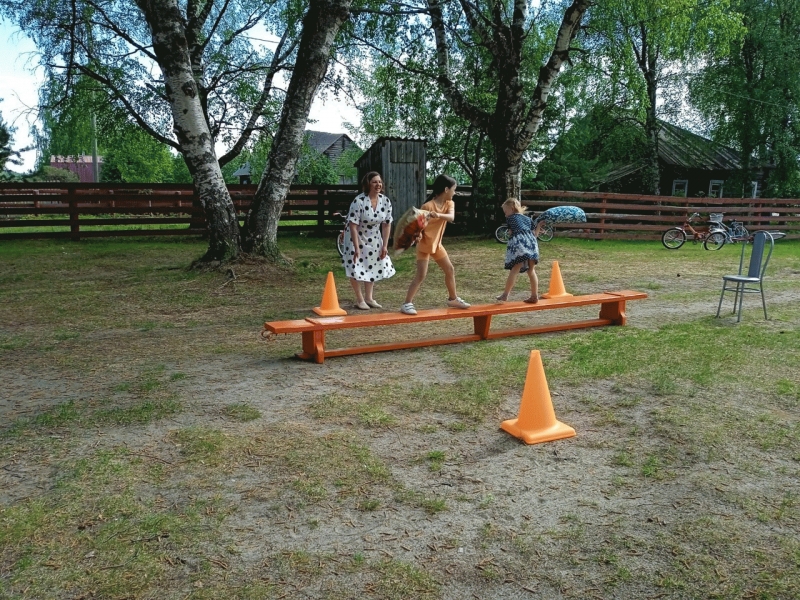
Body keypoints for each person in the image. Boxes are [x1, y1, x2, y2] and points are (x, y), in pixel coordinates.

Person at [400, 174, 470, 315]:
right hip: (424, 246)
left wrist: (438, 215)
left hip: (437, 245)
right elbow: (419, 226)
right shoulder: (427, 206)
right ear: (446, 189)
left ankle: (453, 299)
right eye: (453, 190)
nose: (454, 193)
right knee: (421, 275)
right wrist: (418, 234)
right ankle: (407, 303)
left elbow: (451, 217)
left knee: (449, 269)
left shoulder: (449, 203)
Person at [342, 171, 396, 310]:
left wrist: (385, 245)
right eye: (374, 182)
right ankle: (359, 299)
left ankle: (369, 298)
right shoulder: (359, 201)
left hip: (373, 236)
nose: (378, 184)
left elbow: (386, 224)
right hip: (355, 235)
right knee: (355, 266)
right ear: (368, 184)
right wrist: (356, 247)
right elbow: (353, 225)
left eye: (379, 182)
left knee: (372, 264)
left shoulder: (385, 201)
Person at [496, 198, 539, 304]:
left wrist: (510, 233)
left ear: (511, 209)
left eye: (505, 212)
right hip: (532, 244)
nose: (505, 215)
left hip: (520, 244)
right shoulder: (527, 219)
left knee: (515, 269)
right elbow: (534, 233)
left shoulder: (511, 218)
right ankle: (534, 295)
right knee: (531, 270)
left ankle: (505, 294)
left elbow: (511, 232)